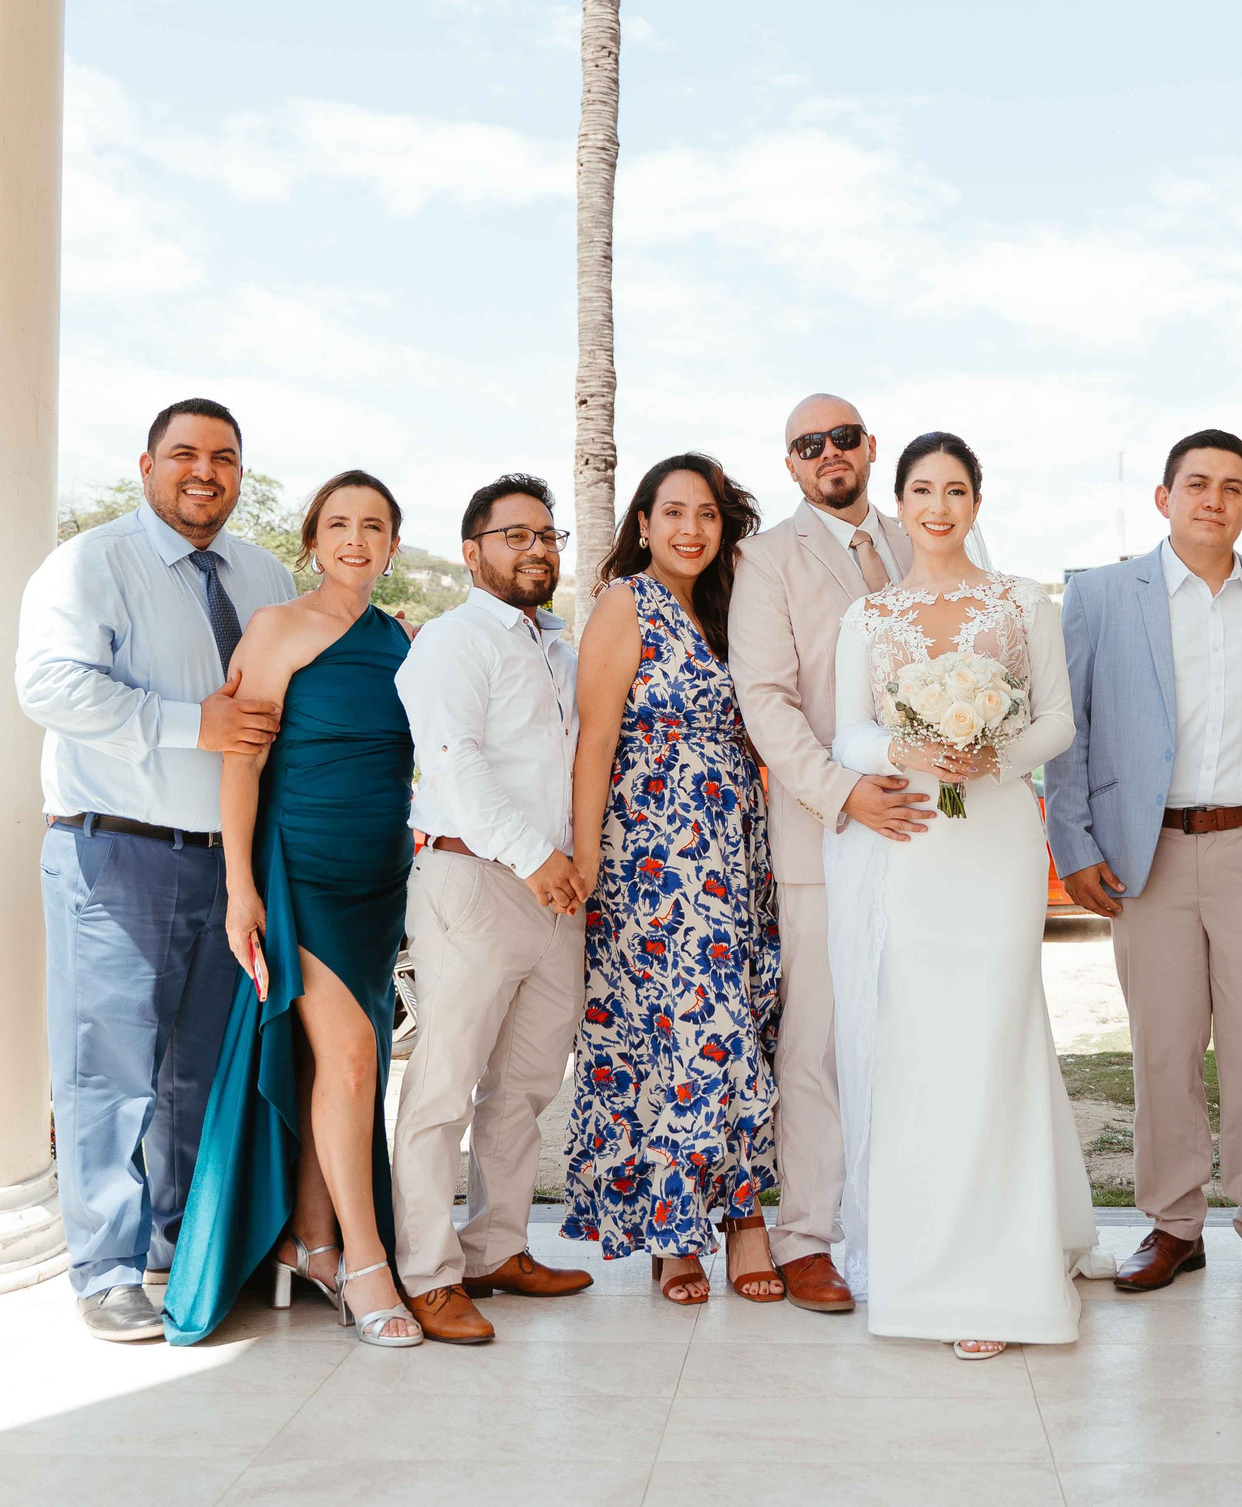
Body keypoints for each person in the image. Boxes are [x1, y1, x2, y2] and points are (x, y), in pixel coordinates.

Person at [17, 398, 295, 1342]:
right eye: (184, 454)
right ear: (146, 467)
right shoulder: (91, 563)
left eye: (223, 456)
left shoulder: (265, 576)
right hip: (115, 847)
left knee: (200, 1076)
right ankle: (104, 1269)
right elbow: (48, 685)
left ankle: (185, 1246)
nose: (203, 472)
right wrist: (191, 723)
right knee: (110, 1068)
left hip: (229, 862)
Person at [828, 432, 1106, 1359]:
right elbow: (848, 735)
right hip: (917, 848)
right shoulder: (867, 617)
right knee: (925, 1047)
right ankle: (931, 1265)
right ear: (897, 502)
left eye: (955, 489)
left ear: (977, 502)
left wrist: (996, 752)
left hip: (995, 844)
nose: (938, 506)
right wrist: (904, 749)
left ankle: (1007, 1271)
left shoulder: (1022, 601)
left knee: (999, 1036)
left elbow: (1059, 720)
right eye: (921, 489)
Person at [1044, 429, 1242, 1302]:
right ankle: (1171, 1224)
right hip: (1146, 848)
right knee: (1162, 1046)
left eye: (1231, 486)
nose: (1213, 498)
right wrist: (1076, 843)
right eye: (1196, 483)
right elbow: (1069, 730)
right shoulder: (1097, 595)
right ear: (1163, 498)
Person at [157, 472, 421, 1346]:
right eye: (339, 523)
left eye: (373, 526)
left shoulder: (402, 641)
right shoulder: (278, 631)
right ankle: (365, 1263)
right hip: (301, 871)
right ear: (312, 539)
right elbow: (241, 761)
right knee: (349, 1064)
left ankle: (309, 1241)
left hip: (382, 879)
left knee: (338, 1070)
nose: (356, 538)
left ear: (391, 543)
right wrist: (242, 889)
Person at [561, 454, 784, 1306]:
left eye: (708, 515)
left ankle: (737, 1211)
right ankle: (681, 1232)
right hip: (654, 863)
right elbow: (595, 742)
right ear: (644, 524)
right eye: (674, 512)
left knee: (742, 1031)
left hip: (734, 857)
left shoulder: (730, 613)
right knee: (683, 1038)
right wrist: (586, 862)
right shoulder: (628, 605)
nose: (692, 528)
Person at [727, 394, 930, 1314]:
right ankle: (808, 1235)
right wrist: (842, 789)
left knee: (921, 1031)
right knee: (813, 1040)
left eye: (843, 437)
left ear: (869, 446)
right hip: (823, 833)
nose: (828, 454)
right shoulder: (765, 559)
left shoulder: (921, 532)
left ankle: (916, 1222)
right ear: (791, 466)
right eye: (807, 445)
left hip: (935, 832)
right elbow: (764, 699)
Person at [390, 473, 595, 1344]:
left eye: (547, 535)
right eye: (515, 535)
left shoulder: (559, 647)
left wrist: (568, 864)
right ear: (471, 552)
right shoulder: (452, 638)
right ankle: (427, 1272)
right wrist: (538, 857)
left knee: (524, 1084)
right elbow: (453, 764)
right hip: (474, 880)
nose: (537, 549)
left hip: (557, 893)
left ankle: (497, 1246)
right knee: (442, 1084)